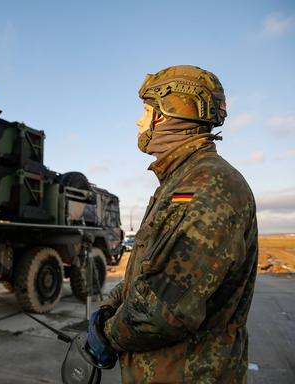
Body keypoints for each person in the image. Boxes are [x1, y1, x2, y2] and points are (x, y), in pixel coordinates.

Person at [87, 65, 258, 383]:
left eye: (145, 110)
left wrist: (108, 335)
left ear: (167, 113)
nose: (139, 121)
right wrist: (110, 307)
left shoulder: (207, 184)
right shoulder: (182, 180)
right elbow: (150, 271)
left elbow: (162, 312)